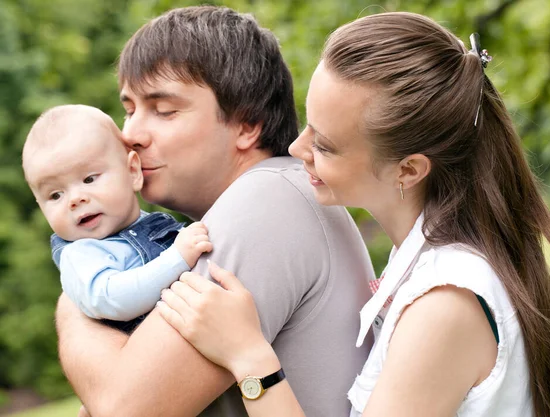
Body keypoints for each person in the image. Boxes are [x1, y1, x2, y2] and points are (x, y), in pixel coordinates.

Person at [156, 12, 550, 417]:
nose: (297, 149)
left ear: (408, 169)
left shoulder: (444, 306)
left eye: (325, 145)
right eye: (306, 124)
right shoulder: (433, 268)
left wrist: (248, 357)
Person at [53, 6, 375, 417]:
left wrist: (79, 293)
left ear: (247, 125)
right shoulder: (275, 195)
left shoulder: (265, 202)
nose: (129, 135)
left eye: (164, 110)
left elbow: (124, 408)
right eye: (129, 109)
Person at [22, 104, 212, 332]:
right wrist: (178, 257)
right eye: (55, 195)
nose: (74, 199)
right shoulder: (82, 255)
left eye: (89, 179)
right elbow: (113, 300)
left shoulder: (154, 225)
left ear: (132, 171)